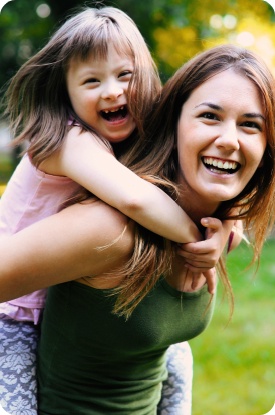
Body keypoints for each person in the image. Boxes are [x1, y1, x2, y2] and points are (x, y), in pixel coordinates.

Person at [2, 43, 273, 414]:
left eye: (250, 124)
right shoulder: (110, 230)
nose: (229, 140)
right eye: (210, 116)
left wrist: (225, 227)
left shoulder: (213, 226)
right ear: (174, 120)